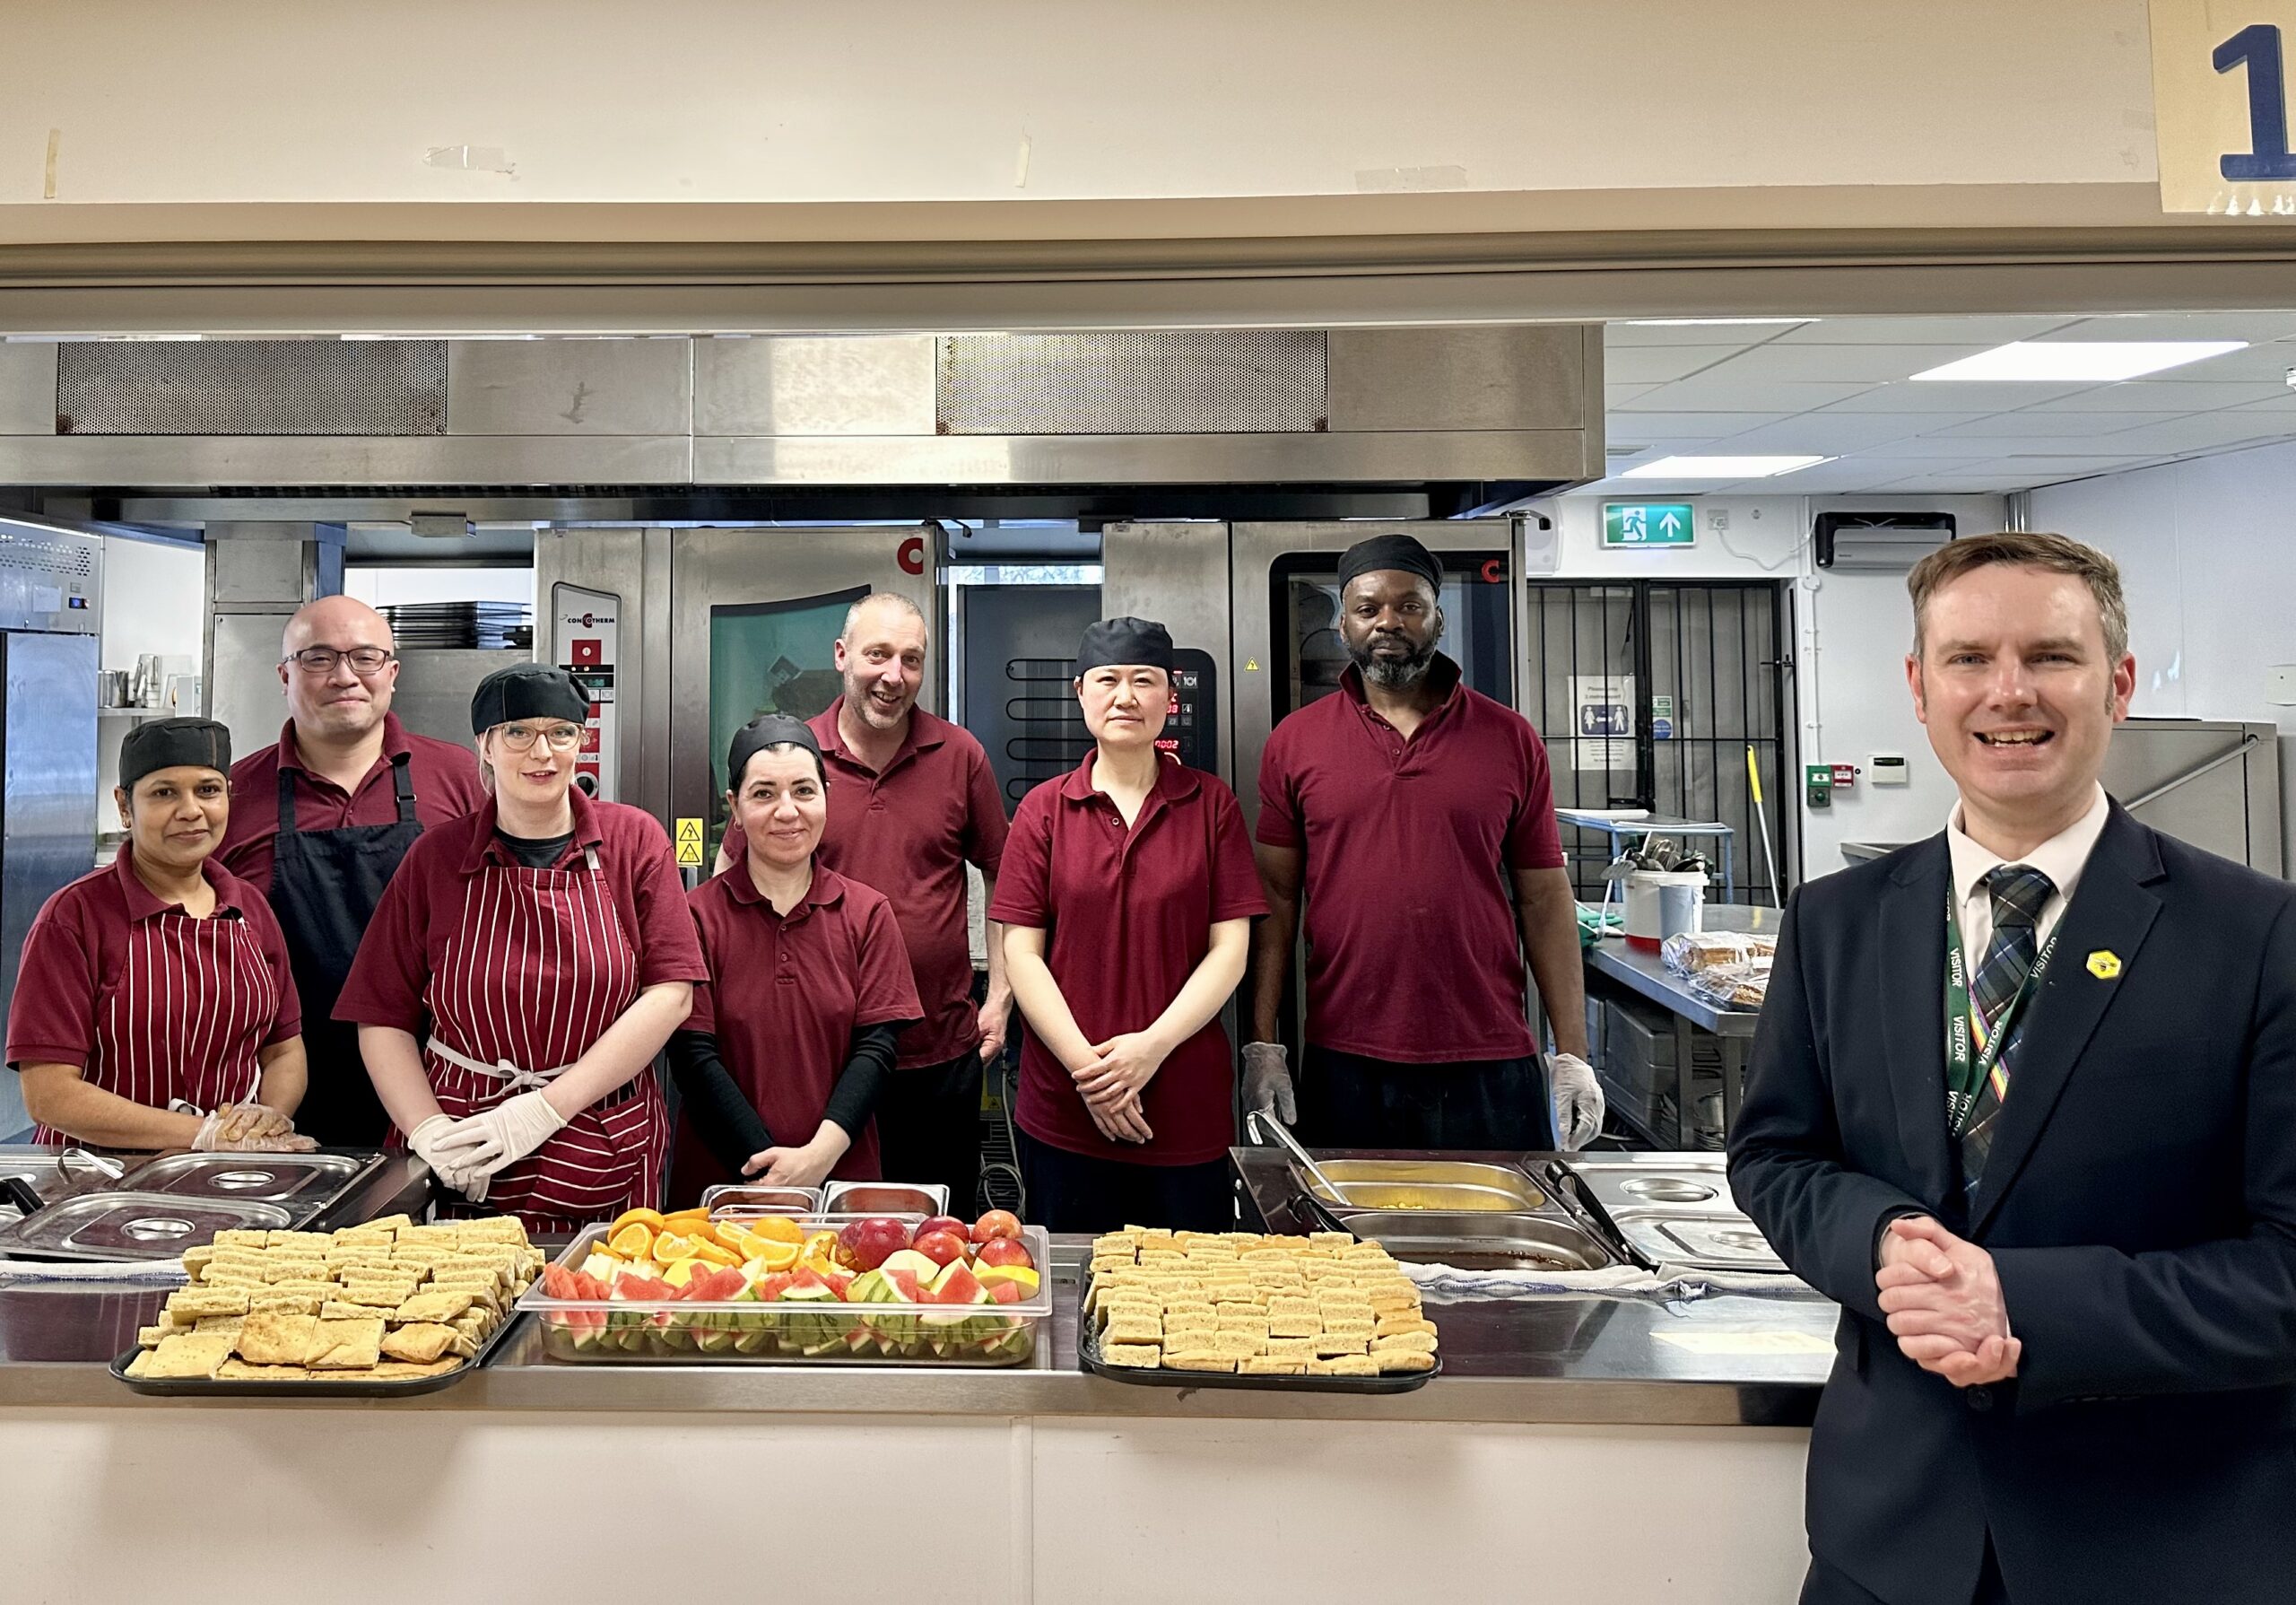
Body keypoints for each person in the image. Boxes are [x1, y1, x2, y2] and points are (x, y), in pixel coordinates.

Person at [1727, 532, 2296, 1605]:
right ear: (1917, 686)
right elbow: (1774, 1155)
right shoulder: (1836, 922)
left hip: (2158, 1544)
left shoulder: (2257, 937)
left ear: (2117, 683)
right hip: (1886, 1536)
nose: (2008, 693)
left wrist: (2019, 1299)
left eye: (2050, 655)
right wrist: (1884, 1240)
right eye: (1967, 659)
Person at [1245, 533, 1601, 1152]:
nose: (1388, 621)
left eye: (1409, 605)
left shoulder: (1510, 738)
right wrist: (1263, 1043)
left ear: (1439, 617)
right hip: (1345, 1055)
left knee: (1497, 1245)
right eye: (1368, 607)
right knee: (1348, 1245)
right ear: (1343, 624)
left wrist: (1572, 1053)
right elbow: (1275, 897)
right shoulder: (1295, 743)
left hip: (1489, 1054)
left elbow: (1545, 899)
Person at [336, 665, 705, 1228]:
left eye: (562, 732)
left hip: (601, 1141)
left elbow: (671, 994)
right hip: (464, 1152)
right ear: (484, 745)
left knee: (592, 1309)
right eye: (519, 733)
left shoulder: (634, 840)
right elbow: (381, 1016)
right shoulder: (436, 859)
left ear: (583, 741)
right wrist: (429, 1131)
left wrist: (545, 1109)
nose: (544, 752)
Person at [711, 593, 1011, 1215]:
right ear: (842, 655)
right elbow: (732, 881)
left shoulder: (960, 756)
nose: (892, 675)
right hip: (820, 1065)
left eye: (911, 659)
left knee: (935, 1242)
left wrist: (1002, 995)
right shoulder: (794, 757)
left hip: (939, 1049)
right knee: (820, 1247)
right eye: (878, 655)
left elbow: (1002, 871)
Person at [991, 617, 1266, 1234]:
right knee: (1071, 1295)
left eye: (1144, 680)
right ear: (1080, 691)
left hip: (1183, 1110)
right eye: (1108, 679)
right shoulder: (1043, 810)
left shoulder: (1211, 806)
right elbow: (1022, 954)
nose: (1125, 696)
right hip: (1065, 1109)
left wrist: (1150, 1048)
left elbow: (1231, 950)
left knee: (1188, 1304)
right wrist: (1092, 1075)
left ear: (1168, 698)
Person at [219, 595, 484, 1146]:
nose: (345, 677)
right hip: (282, 1089)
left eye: (365, 657)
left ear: (392, 672)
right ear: (283, 675)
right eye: (318, 658)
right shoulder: (232, 795)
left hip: (442, 1080)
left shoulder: (464, 780)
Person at [8, 718, 312, 1152]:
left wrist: (265, 1120)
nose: (191, 810)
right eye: (164, 792)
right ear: (125, 806)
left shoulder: (249, 908)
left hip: (226, 1174)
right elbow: (49, 1094)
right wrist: (204, 1135)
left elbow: (283, 1050)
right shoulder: (72, 918)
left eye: (208, 790)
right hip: (94, 1177)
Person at [668, 716, 922, 1205]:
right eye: (764, 794)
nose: (788, 811)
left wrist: (815, 1160)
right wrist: (765, 1168)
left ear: (827, 797)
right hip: (724, 1180)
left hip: (841, 1178)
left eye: (804, 791)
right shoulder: (694, 917)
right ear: (734, 809)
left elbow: (877, 1049)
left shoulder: (867, 914)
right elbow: (692, 1058)